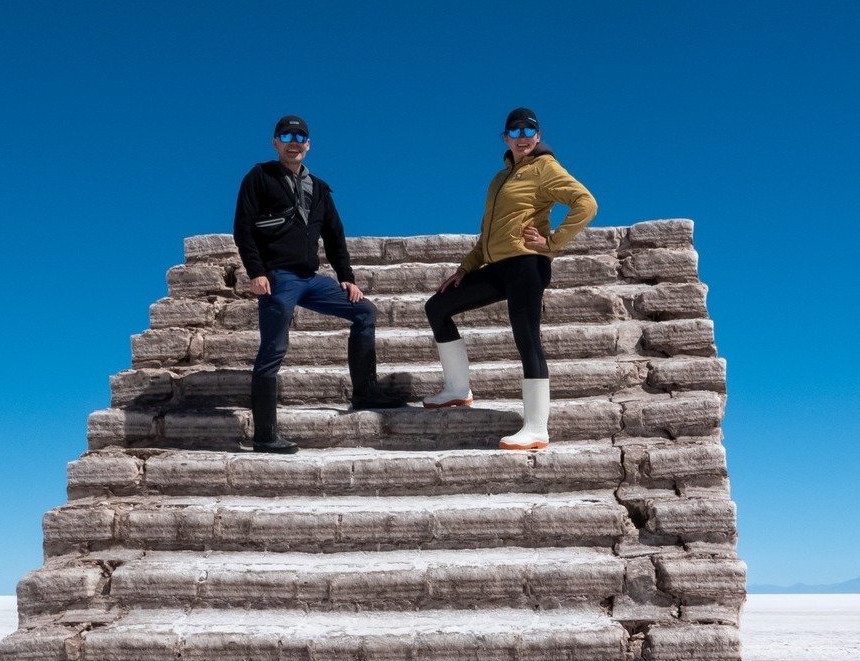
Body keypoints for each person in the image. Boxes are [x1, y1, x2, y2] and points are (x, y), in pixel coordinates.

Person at [423, 107, 598, 450]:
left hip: (528, 266)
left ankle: (536, 428)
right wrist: (464, 269)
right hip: (497, 267)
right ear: (505, 138)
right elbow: (487, 234)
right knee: (437, 307)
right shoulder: (499, 178)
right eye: (514, 131)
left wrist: (552, 243)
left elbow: (586, 203)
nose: (521, 137)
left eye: (528, 131)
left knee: (526, 336)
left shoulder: (546, 168)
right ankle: (458, 390)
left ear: (538, 135)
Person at [232, 115, 404, 454]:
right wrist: (257, 271)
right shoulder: (259, 177)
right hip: (278, 278)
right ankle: (265, 436)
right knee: (273, 349)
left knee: (365, 312)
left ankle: (365, 392)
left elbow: (335, 236)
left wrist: (347, 278)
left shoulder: (320, 189)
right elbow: (243, 229)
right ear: (275, 142)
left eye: (300, 136)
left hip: (310, 279)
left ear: (308, 144)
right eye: (286, 135)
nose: (293, 141)